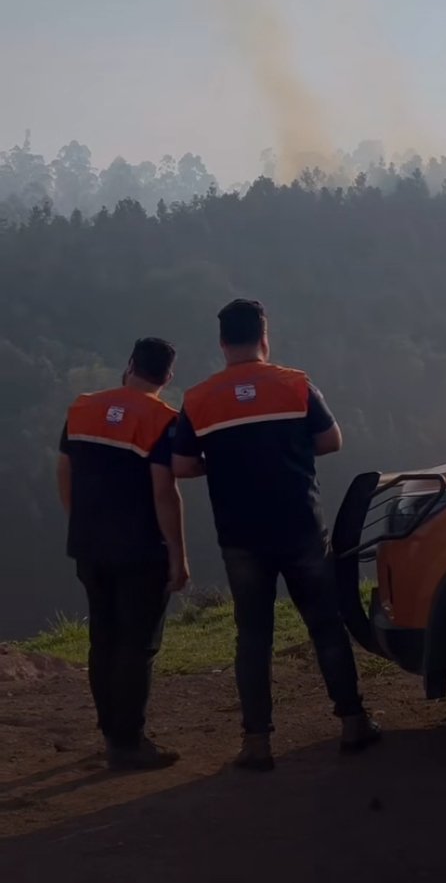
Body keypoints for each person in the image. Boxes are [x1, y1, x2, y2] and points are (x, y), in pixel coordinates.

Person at [171, 298, 379, 771]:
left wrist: (223, 462)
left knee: (253, 635)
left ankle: (257, 743)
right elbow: (331, 441)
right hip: (300, 527)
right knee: (325, 625)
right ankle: (352, 722)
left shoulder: (199, 399)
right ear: (265, 338)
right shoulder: (295, 384)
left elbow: (182, 465)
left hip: (241, 536)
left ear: (222, 343)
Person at [57, 337, 189, 771]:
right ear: (167, 377)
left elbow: (65, 471)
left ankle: (111, 730)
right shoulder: (162, 419)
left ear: (129, 364)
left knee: (104, 639)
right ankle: (127, 741)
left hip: (90, 546)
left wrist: (80, 521)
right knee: (137, 645)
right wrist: (177, 554)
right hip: (140, 551)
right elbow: (163, 491)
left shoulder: (82, 408)